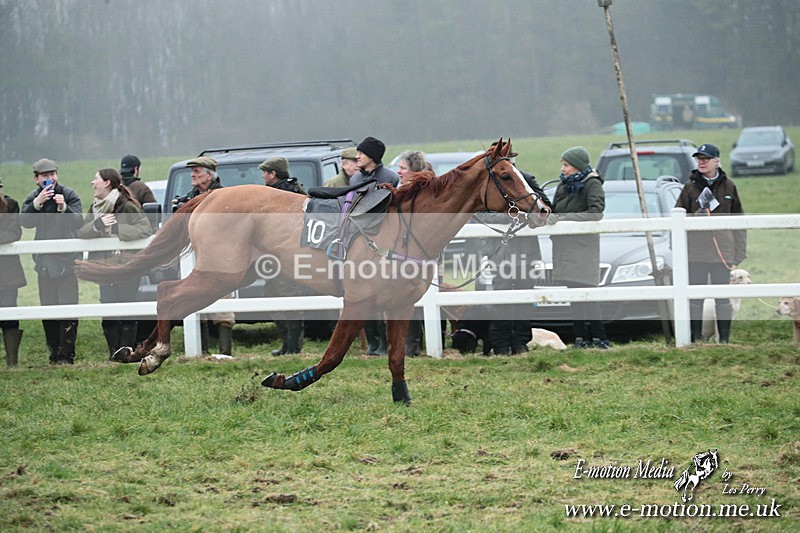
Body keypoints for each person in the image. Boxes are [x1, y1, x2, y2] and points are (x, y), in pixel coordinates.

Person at [76, 169, 153, 358]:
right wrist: (97, 226)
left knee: (126, 308)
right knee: (108, 310)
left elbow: (145, 228)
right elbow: (82, 232)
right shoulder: (95, 208)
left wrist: (117, 228)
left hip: (126, 267)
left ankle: (126, 353)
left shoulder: (125, 205)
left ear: (107, 183)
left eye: (96, 179)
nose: (92, 183)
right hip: (104, 267)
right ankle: (113, 354)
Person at [675, 143, 746, 344]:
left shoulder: (729, 186)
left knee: (722, 297)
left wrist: (739, 253)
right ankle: (695, 339)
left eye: (706, 159)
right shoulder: (689, 187)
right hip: (695, 252)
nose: (702, 162)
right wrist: (692, 217)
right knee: (695, 297)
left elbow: (739, 219)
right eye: (699, 159)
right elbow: (676, 216)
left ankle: (724, 340)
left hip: (723, 252)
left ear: (717, 161)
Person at [20, 158, 83, 364]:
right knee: (48, 311)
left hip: (67, 263)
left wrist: (64, 208)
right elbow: (25, 222)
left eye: (53, 174)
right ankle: (54, 354)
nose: (50, 179)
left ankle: (67, 354)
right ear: (36, 179)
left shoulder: (69, 194)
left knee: (69, 310)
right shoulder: (33, 198)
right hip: (44, 265)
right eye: (45, 176)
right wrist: (37, 204)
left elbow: (79, 221)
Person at [484, 166, 552, 354]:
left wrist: (528, 214)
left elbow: (545, 207)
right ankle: (500, 344)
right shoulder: (485, 184)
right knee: (501, 299)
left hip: (525, 252)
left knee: (524, 298)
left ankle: (521, 342)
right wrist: (506, 218)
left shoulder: (527, 179)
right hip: (500, 253)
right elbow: (477, 215)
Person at [547, 147, 610, 349]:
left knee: (588, 296)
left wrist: (563, 219)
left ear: (577, 166)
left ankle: (600, 338)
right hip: (564, 249)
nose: (562, 169)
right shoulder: (563, 185)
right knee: (573, 296)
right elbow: (555, 209)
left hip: (583, 249)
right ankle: (581, 338)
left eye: (566, 165)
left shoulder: (592, 183)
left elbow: (596, 213)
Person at [174, 157, 234, 355]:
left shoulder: (225, 196)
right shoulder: (188, 197)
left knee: (223, 304)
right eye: (192, 171)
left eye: (197, 171)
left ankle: (225, 352)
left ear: (210, 174)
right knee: (195, 299)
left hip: (221, 257)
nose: (192, 174)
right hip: (195, 257)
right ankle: (202, 352)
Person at [349, 137, 399, 355]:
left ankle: (384, 343)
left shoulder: (390, 177)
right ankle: (372, 342)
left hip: (381, 238)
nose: (357, 157)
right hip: (359, 237)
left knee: (380, 294)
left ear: (373, 156)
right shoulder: (356, 178)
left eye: (361, 153)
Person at [259, 157, 309, 355]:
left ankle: (294, 346)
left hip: (288, 256)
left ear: (273, 174)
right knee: (270, 297)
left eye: (265, 172)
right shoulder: (273, 193)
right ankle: (286, 343)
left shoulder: (290, 193)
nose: (263, 176)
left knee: (290, 298)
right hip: (271, 256)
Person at [0, 177, 27, 367]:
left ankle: (12, 362)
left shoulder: (10, 205)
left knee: (10, 316)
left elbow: (13, 233)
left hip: (7, 272)